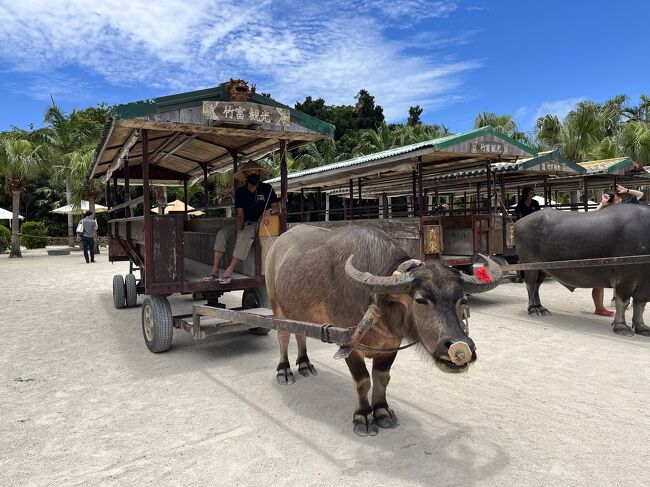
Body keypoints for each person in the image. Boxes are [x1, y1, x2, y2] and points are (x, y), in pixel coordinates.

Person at [206, 160, 279, 283]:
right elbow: (240, 215)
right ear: (246, 174)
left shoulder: (267, 188)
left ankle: (229, 270)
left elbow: (276, 207)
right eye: (251, 172)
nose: (254, 174)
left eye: (256, 171)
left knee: (244, 235)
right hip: (246, 222)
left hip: (260, 225)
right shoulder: (241, 192)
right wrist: (239, 231)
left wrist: (268, 211)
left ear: (260, 173)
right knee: (222, 234)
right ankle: (215, 270)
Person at [594, 184, 645, 309]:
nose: (619, 201)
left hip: (628, 245)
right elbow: (592, 216)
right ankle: (615, 298)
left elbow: (640, 195)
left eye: (619, 198)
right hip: (611, 246)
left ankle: (632, 298)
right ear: (611, 201)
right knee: (618, 275)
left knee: (630, 274)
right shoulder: (607, 209)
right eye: (616, 199)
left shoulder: (627, 207)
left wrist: (627, 190)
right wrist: (602, 203)